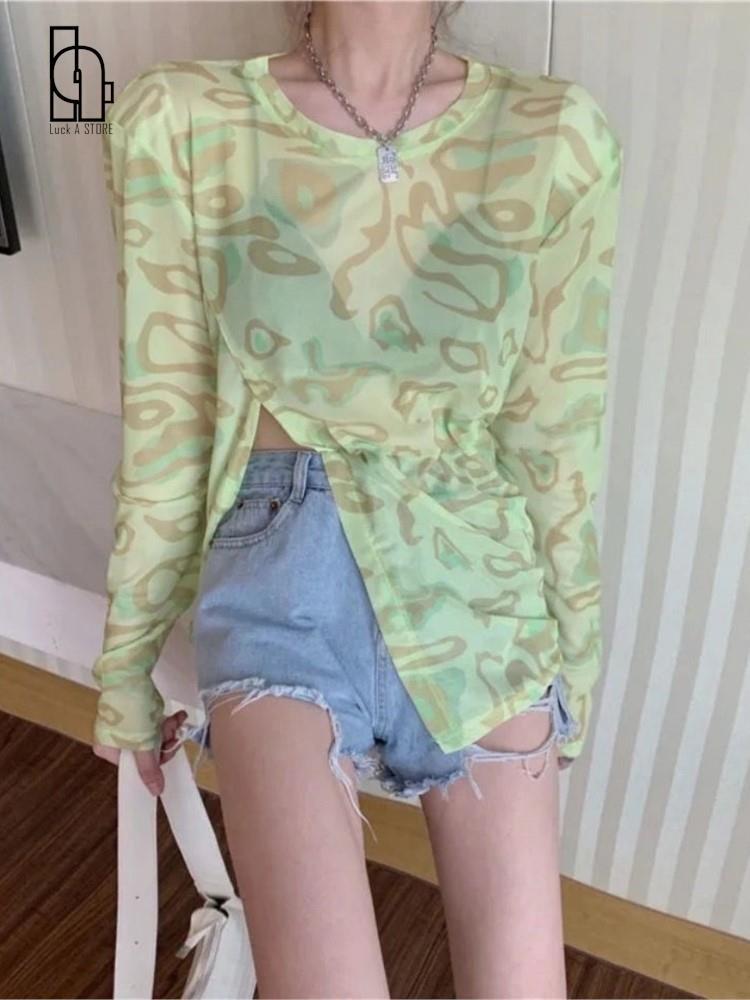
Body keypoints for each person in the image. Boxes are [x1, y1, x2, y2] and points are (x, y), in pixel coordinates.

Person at [91, 1, 624, 996]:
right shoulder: (184, 122)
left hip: (478, 576)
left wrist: (574, 675)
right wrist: (128, 668)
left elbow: (556, 439)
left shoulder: (556, 138)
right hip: (279, 567)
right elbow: (168, 421)